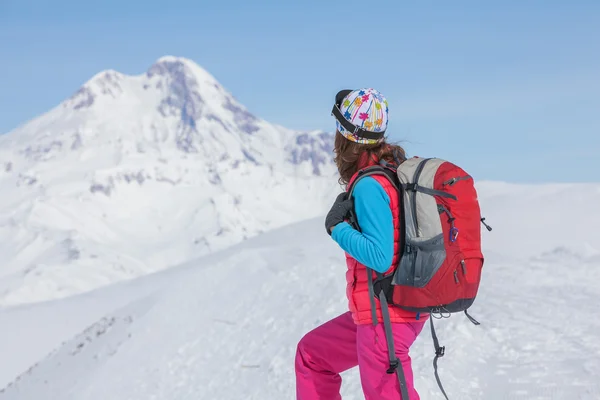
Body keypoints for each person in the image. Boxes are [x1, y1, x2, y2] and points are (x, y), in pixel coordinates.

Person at [295, 88, 427, 400]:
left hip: (386, 317)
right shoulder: (392, 172)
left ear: (347, 136)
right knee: (312, 355)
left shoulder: (370, 184)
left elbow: (380, 257)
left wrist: (336, 227)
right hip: (385, 311)